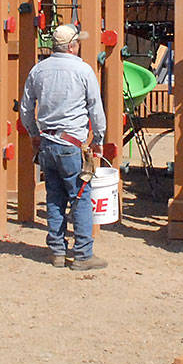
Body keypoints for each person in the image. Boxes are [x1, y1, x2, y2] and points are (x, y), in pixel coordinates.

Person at [19, 23, 108, 271]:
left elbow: (26, 110)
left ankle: (57, 251)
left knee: (54, 198)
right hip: (71, 145)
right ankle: (82, 254)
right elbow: (96, 110)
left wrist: (34, 134)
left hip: (47, 144)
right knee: (80, 196)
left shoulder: (38, 70)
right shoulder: (83, 70)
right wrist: (99, 140)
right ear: (72, 46)